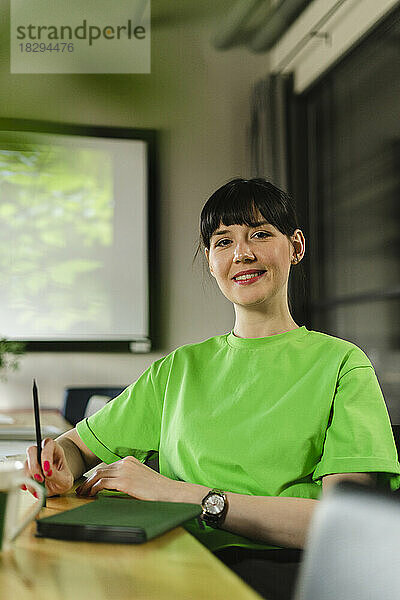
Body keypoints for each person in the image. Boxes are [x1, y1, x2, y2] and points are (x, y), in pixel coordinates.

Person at [24, 178, 400, 600]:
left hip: (275, 576)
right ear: (210, 260)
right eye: (224, 242)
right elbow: (79, 446)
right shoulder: (178, 369)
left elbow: (345, 524)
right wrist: (60, 463)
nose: (242, 253)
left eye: (260, 233)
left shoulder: (342, 364)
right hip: (163, 558)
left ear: (295, 247)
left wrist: (181, 495)